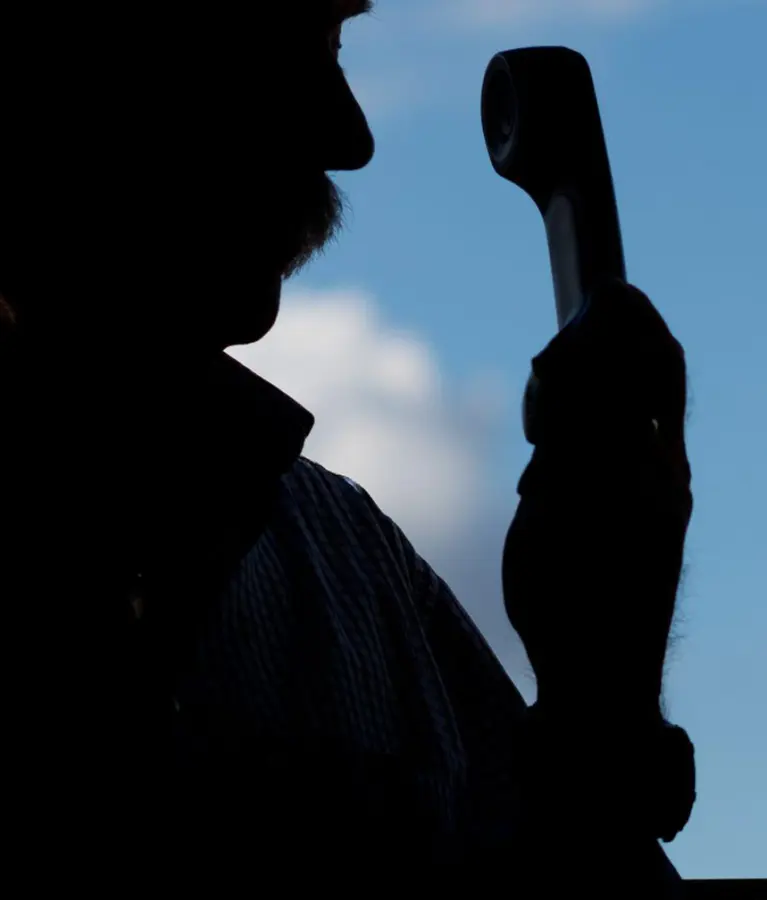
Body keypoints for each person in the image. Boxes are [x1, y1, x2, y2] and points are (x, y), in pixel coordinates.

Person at [0, 0, 695, 884]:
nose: (349, 136)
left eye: (331, 46)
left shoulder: (351, 557)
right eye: (273, 50)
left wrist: (599, 698)